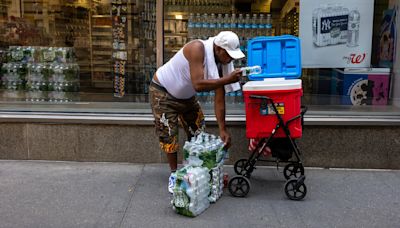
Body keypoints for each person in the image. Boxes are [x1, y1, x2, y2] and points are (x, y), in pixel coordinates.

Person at [149, 31, 245, 193]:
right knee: (169, 135)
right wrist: (227, 79)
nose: (230, 60)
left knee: (198, 132)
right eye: (229, 55)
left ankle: (195, 170)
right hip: (163, 92)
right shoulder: (197, 48)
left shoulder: (223, 63)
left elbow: (219, 97)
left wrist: (223, 128)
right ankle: (174, 174)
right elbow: (198, 84)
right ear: (219, 49)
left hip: (186, 97)